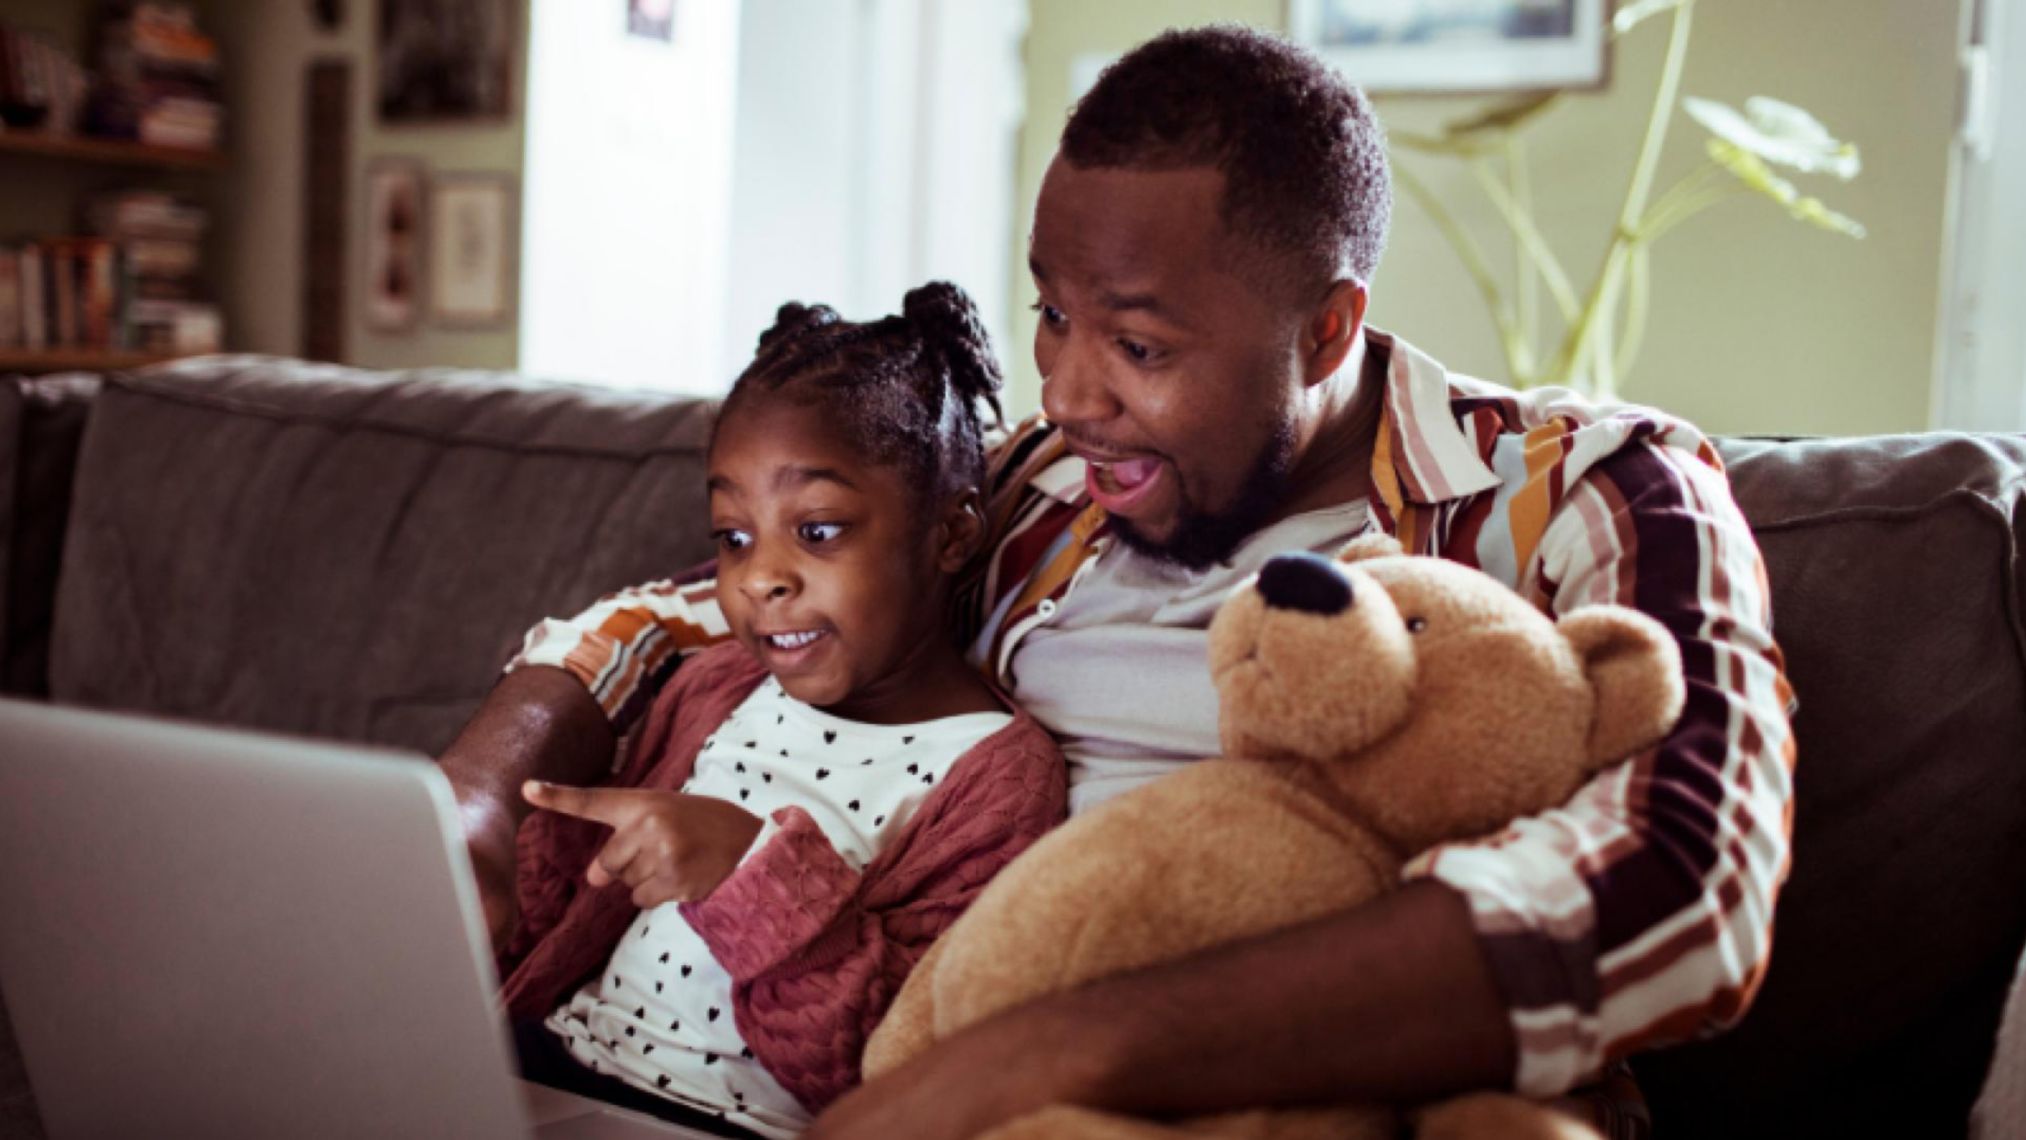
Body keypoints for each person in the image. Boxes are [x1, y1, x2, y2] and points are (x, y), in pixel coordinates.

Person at [439, 25, 1793, 1140]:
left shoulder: (1588, 491)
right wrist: (485, 804)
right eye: (1050, 315)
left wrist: (1054, 1054)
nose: (1067, 393)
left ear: (1326, 327)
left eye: (1137, 345)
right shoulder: (1034, 487)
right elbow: (702, 609)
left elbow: (1688, 882)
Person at [485, 283, 1067, 1138]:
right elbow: (573, 910)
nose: (760, 579)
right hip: (559, 1070)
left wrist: (751, 876)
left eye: (819, 530)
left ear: (950, 534)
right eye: (733, 537)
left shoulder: (998, 782)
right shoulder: (717, 686)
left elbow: (888, 1069)